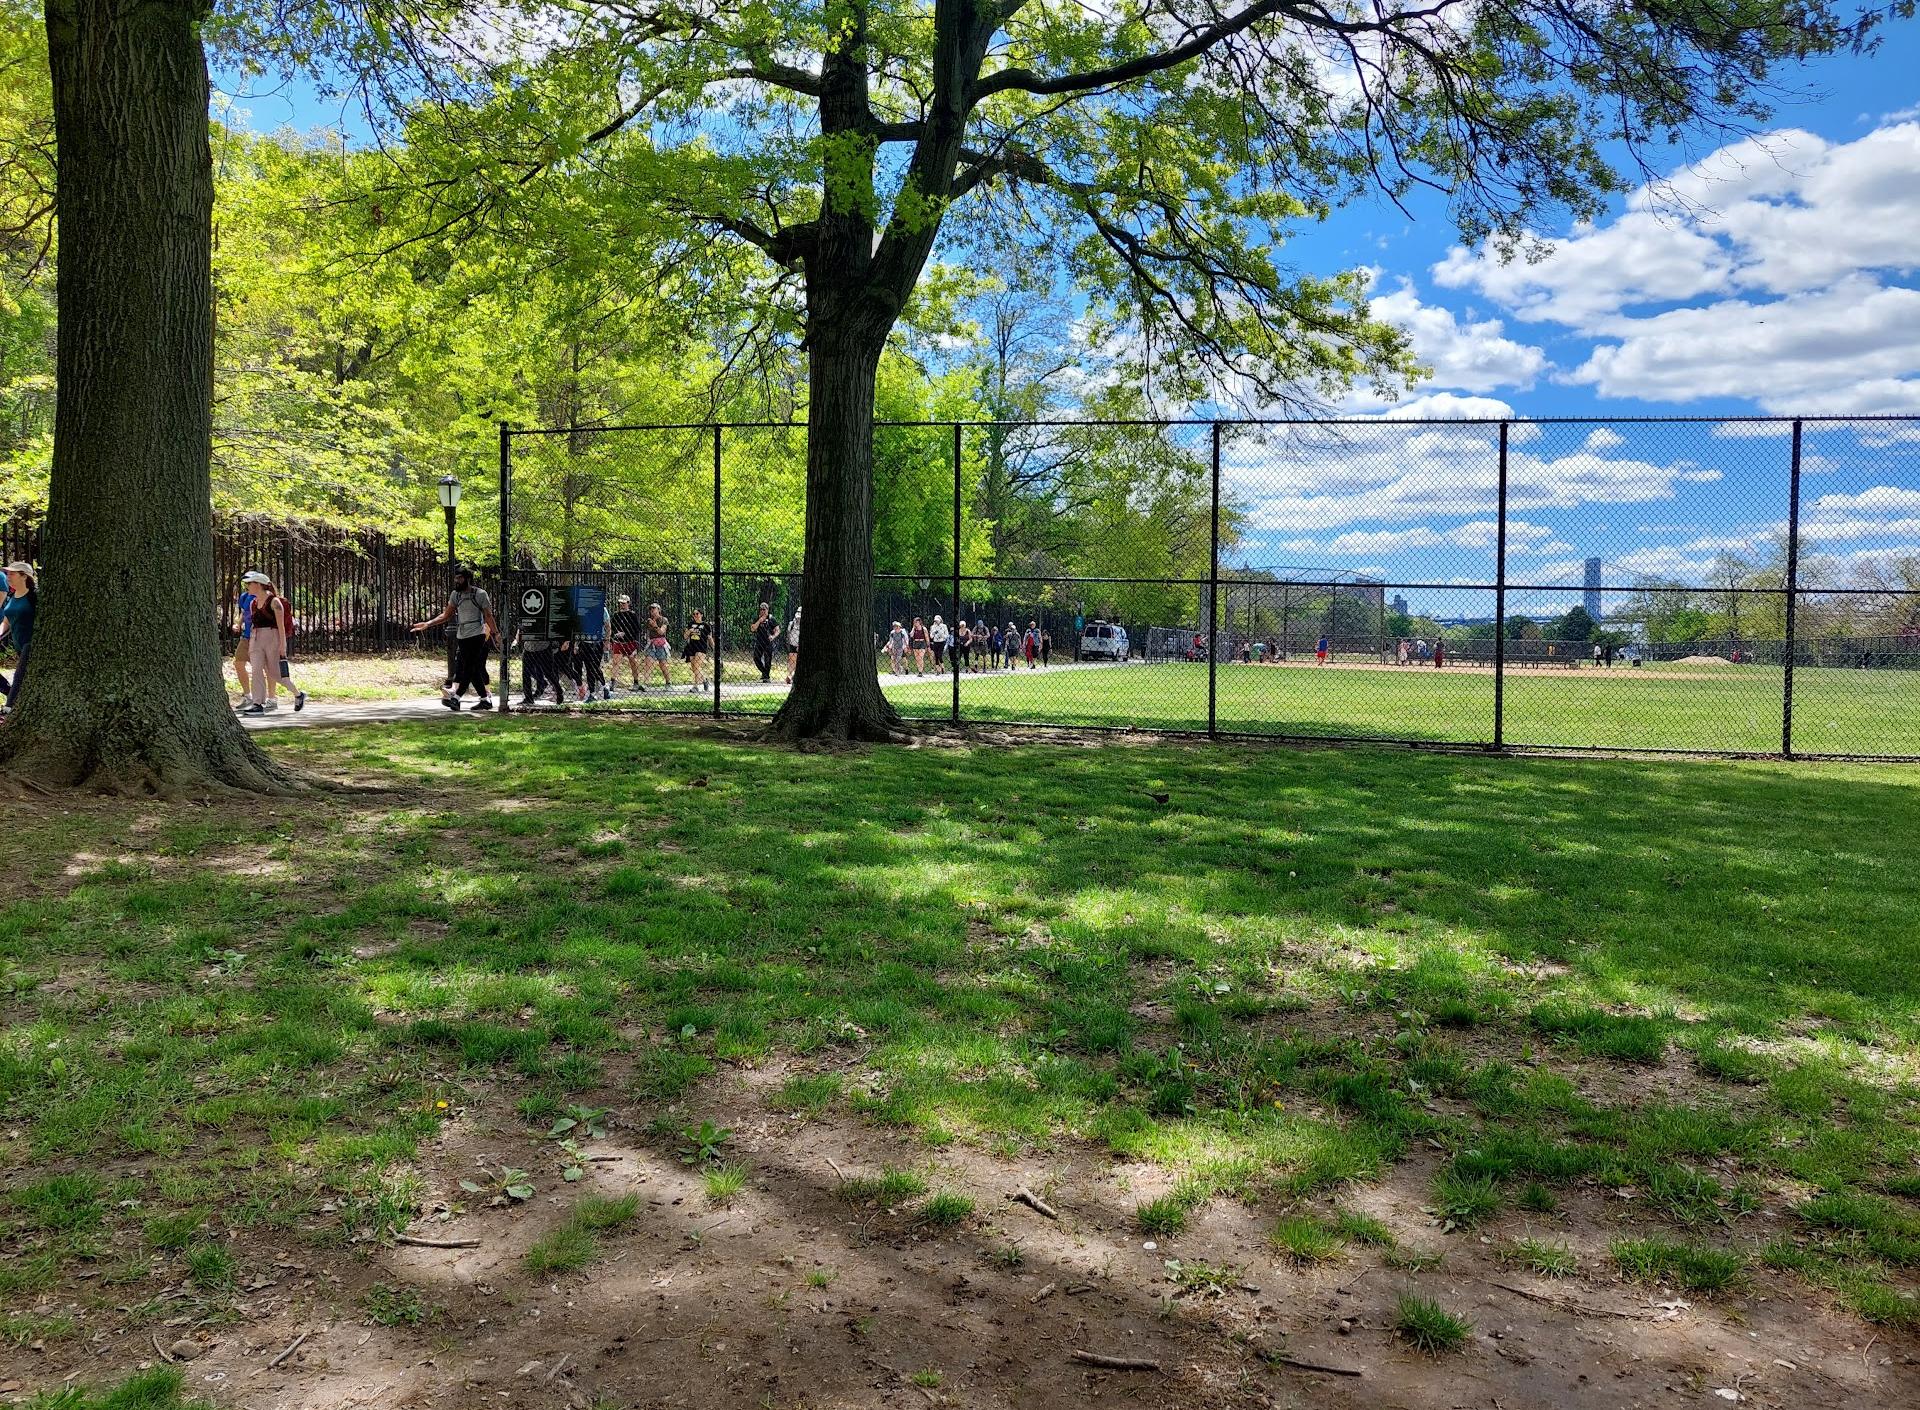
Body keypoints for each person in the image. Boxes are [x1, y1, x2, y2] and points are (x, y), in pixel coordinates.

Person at [410, 565, 498, 711]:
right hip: (462, 634)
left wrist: (495, 633)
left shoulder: (480, 594)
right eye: (456, 578)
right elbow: (446, 615)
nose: (457, 581)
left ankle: (456, 698)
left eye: (460, 578)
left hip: (477, 634)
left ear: (468, 579)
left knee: (469, 666)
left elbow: (488, 615)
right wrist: (428, 623)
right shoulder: (455, 595)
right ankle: (485, 700)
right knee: (472, 667)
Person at [238, 573, 307, 715]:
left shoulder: (275, 602)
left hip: (272, 638)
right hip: (256, 638)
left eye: (250, 584)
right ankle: (257, 704)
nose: (247, 587)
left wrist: (283, 645)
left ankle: (298, 694)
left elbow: (281, 627)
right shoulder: (253, 603)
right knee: (256, 670)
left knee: (275, 674)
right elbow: (253, 623)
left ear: (258, 584)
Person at [0, 561, 37, 713]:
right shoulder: (11, 595)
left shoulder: (34, 596)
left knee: (19, 675)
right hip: (18, 644)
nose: (8, 576)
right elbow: (6, 621)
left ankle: (8, 707)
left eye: (12, 573)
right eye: (7, 573)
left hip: (31, 644)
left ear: (24, 576)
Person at [609, 594, 644, 690]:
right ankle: (612, 682)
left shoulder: (632, 615)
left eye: (624, 603)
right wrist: (615, 634)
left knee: (633, 662)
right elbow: (612, 628)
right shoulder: (616, 615)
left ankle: (636, 682)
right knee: (616, 662)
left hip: (630, 641)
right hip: (618, 642)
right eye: (620, 603)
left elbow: (637, 630)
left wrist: (626, 634)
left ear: (628, 603)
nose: (622, 605)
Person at [645, 602, 673, 689]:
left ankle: (668, 682)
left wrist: (655, 626)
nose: (652, 611)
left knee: (662, 665)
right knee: (648, 662)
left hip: (661, 644)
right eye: (651, 609)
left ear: (659, 610)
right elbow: (648, 633)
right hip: (652, 644)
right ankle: (646, 684)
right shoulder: (649, 621)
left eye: (654, 609)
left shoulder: (664, 620)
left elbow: (661, 632)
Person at [683, 608, 712, 693]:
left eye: (697, 614)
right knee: (694, 668)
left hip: (701, 647)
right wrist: (689, 631)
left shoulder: (706, 625)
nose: (695, 615)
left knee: (696, 665)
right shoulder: (690, 624)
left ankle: (695, 686)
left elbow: (710, 637)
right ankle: (704, 680)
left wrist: (713, 646)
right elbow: (685, 636)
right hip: (692, 647)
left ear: (701, 615)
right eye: (694, 614)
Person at [750, 602, 780, 683]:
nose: (762, 611)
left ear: (767, 610)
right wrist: (760, 620)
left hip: (768, 642)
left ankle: (766, 677)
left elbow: (778, 630)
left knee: (768, 660)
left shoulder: (771, 619)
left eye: (764, 609)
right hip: (759, 642)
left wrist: (773, 636)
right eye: (761, 609)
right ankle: (765, 673)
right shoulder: (757, 618)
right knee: (756, 658)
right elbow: (753, 629)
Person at [784, 606, 801, 683]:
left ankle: (792, 676)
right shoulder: (792, 623)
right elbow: (788, 634)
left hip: (799, 644)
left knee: (796, 660)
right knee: (791, 660)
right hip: (792, 644)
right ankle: (790, 675)